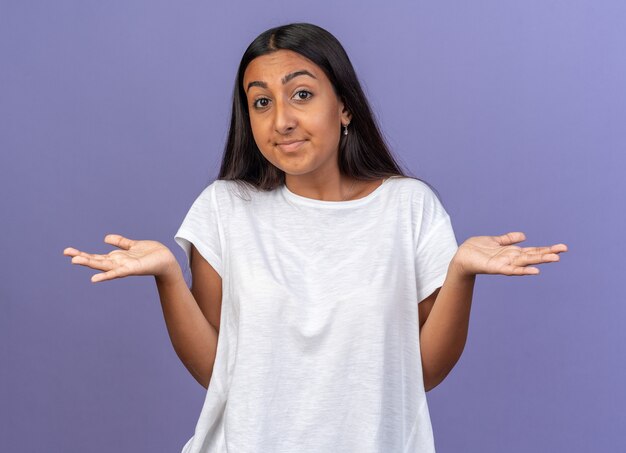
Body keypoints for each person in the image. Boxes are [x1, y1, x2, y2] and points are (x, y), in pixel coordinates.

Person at [63, 22, 568, 453]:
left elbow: (422, 373)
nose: (281, 119)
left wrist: (461, 274)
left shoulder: (407, 207)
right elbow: (219, 374)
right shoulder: (225, 208)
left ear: (344, 107)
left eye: (301, 94)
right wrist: (168, 277)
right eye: (261, 102)